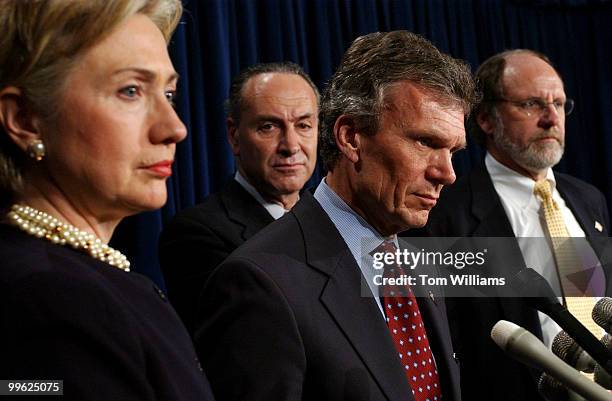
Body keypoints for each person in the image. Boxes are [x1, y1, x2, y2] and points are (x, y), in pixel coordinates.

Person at [195, 30, 476, 401]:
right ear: (351, 137)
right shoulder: (259, 282)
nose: (447, 173)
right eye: (426, 142)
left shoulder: (417, 264)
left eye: (453, 151)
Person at [0, 1, 215, 400]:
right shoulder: (52, 300)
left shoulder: (76, 282)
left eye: (168, 93)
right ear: (26, 119)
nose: (175, 128)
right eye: (130, 91)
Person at [413, 49, 610, 400]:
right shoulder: (444, 215)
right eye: (532, 104)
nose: (552, 119)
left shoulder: (589, 199)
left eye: (560, 104)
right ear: (486, 118)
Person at [159, 62, 319, 332]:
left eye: (303, 125)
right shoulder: (195, 235)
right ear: (234, 136)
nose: (291, 146)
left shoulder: (336, 220)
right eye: (269, 127)